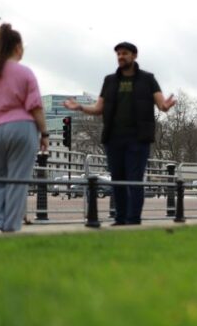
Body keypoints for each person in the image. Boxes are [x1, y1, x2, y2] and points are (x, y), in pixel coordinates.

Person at [65, 42, 175, 226]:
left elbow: (161, 103)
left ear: (134, 55)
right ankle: (120, 218)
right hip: (113, 138)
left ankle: (133, 219)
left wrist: (165, 106)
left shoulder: (148, 79)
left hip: (138, 139)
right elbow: (98, 108)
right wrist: (80, 107)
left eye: (125, 53)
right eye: (118, 54)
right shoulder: (110, 81)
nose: (121, 57)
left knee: (134, 180)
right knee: (117, 180)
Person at [0, 23, 48, 233]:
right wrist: (44, 133)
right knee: (17, 181)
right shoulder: (25, 73)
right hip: (22, 127)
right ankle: (11, 227)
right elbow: (35, 107)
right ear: (17, 48)